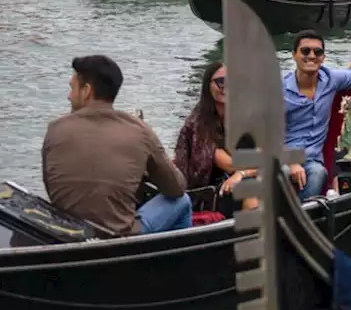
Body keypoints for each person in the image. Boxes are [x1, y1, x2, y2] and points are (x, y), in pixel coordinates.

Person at [42, 55, 192, 235]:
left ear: (86, 91)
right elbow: (176, 188)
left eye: (71, 88)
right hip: (118, 238)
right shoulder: (140, 130)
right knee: (182, 201)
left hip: (67, 233)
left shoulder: (55, 129)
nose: (68, 96)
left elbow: (51, 186)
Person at [282, 31, 351, 198]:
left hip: (313, 160)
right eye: (305, 51)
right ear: (294, 55)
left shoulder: (331, 79)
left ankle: (302, 217)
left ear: (323, 58)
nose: (312, 56)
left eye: (317, 52)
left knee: (318, 173)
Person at [173, 61, 257, 215]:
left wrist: (242, 173)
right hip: (207, 191)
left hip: (239, 179)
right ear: (208, 85)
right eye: (220, 82)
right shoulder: (198, 123)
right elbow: (229, 164)